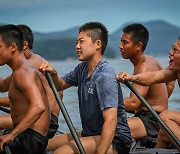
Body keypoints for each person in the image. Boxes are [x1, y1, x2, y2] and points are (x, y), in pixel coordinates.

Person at [39, 21, 131, 154]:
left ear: (98, 44)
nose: (77, 46)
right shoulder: (82, 68)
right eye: (76, 42)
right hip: (90, 133)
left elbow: (111, 121)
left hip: (116, 139)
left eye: (81, 42)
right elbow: (60, 85)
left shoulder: (105, 76)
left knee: (60, 153)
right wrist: (53, 73)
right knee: (44, 145)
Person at [116, 36, 180, 151]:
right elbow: (153, 77)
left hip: (151, 119)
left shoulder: (146, 63)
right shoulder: (175, 72)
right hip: (153, 120)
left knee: (165, 116)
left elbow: (133, 104)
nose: (170, 52)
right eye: (172, 48)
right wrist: (132, 78)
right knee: (163, 133)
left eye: (176, 50)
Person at [0, 24, 63, 139]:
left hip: (45, 122)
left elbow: (7, 90)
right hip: (38, 118)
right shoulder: (24, 66)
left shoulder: (31, 65)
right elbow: (5, 87)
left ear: (22, 45)